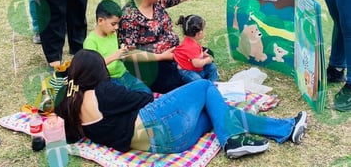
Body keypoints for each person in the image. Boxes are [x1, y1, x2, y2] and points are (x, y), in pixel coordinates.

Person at [55, 49, 307, 159]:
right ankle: (232, 140)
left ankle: (285, 128)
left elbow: (66, 132)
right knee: (205, 87)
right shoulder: (104, 91)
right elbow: (144, 97)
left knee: (217, 111)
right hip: (159, 124)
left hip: (167, 146)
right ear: (98, 71)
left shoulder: (66, 102)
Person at [118, 0, 227, 93]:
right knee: (171, 80)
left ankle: (200, 84)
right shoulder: (128, 16)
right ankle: (197, 84)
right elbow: (127, 53)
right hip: (153, 63)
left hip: (175, 54)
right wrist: (160, 57)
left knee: (208, 53)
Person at [83, 0, 152, 94]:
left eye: (118, 23)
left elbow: (118, 50)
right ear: (100, 21)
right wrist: (115, 56)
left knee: (146, 92)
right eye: (113, 24)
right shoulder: (91, 41)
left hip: (123, 74)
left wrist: (124, 50)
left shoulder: (112, 33)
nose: (117, 27)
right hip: (107, 80)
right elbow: (92, 68)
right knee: (127, 98)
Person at [174, 15, 219, 83]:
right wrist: (207, 60)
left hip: (193, 68)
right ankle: (205, 86)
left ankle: (213, 83)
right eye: (204, 29)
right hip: (187, 72)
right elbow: (197, 64)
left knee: (212, 67)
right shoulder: (192, 46)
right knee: (199, 82)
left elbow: (190, 55)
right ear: (199, 33)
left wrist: (201, 55)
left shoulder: (188, 40)